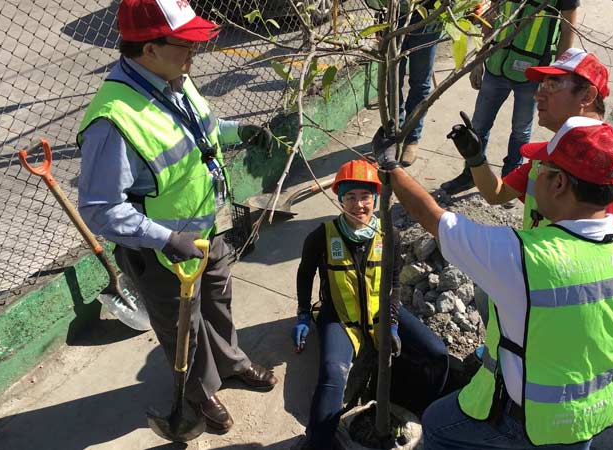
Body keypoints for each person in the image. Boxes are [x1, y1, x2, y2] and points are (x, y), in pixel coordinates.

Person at [372, 117, 613, 449]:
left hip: (531, 421)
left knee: (437, 424)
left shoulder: (523, 258)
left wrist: (390, 165)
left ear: (559, 183)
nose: (536, 176)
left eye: (543, 170)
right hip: (595, 412)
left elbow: (434, 218)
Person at [76, 0, 278, 434]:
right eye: (184, 43)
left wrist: (237, 131)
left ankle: (232, 363)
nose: (194, 53)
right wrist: (165, 238)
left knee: (217, 304)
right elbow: (99, 208)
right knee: (182, 329)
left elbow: (200, 127)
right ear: (148, 49)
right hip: (164, 252)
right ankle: (200, 394)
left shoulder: (174, 77)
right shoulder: (113, 120)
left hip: (208, 229)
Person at [292, 159, 449, 449]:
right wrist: (303, 314)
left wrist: (391, 322)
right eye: (350, 197)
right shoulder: (321, 237)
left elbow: (394, 283)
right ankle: (317, 443)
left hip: (381, 310)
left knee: (436, 354)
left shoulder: (389, 234)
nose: (358, 205)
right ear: (340, 199)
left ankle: (408, 406)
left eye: (365, 197)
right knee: (332, 375)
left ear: (376, 198)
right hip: (339, 315)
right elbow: (305, 274)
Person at [447, 48, 613, 235]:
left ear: (587, 96)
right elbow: (497, 194)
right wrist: (476, 159)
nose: (538, 95)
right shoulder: (555, 153)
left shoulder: (603, 162)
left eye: (552, 86)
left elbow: (600, 248)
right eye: (542, 86)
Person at [441, 0, 579, 197]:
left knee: (521, 131)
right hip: (496, 65)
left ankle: (511, 183)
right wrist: (480, 59)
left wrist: (552, 76)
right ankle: (471, 175)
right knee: (479, 126)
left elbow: (568, 31)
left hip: (532, 72)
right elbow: (492, 16)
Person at [364, 0, 442, 166]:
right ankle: (393, 134)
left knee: (420, 82)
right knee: (391, 80)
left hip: (428, 16)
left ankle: (412, 138)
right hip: (394, 14)